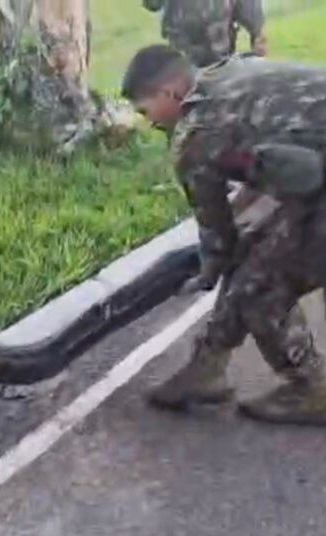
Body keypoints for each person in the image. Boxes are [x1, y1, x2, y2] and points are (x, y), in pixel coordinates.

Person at [119, 44, 326, 425]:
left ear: (169, 94)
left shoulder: (195, 134)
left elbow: (217, 236)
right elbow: (272, 150)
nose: (149, 123)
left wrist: (208, 269)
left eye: (145, 110)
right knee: (253, 253)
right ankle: (206, 369)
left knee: (258, 288)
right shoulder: (225, 73)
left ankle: (313, 389)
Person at [142, 0, 267, 67]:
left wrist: (257, 34)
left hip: (220, 49)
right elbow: (152, 4)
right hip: (184, 51)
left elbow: (249, 7)